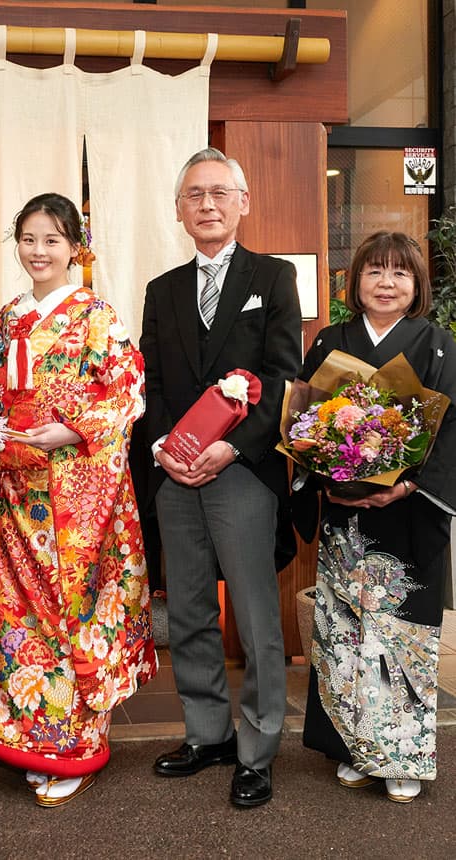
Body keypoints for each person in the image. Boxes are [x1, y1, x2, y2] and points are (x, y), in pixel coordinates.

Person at [0, 192, 158, 808]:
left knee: (71, 619)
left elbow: (126, 394)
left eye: (52, 241)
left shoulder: (98, 317)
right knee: (12, 619)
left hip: (73, 500)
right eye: (29, 239)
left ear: (75, 248)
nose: (39, 252)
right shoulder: (8, 318)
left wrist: (72, 429)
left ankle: (70, 747)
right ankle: (20, 735)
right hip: (11, 492)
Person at [140, 148, 302, 807]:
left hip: (241, 472)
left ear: (243, 203)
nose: (207, 204)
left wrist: (234, 451)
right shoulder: (162, 290)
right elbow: (150, 383)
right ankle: (206, 733)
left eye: (218, 193)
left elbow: (285, 376)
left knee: (259, 617)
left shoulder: (274, 276)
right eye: (193, 196)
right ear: (178, 212)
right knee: (189, 613)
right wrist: (161, 448)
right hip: (175, 475)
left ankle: (257, 750)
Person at [298, 231, 456, 803]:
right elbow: (305, 423)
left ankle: (402, 754)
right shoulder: (330, 342)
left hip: (410, 515)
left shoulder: (439, 345)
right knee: (345, 630)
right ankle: (353, 749)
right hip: (347, 515)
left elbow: (451, 429)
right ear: (355, 281)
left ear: (416, 286)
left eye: (400, 273)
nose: (386, 283)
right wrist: (326, 477)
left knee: (401, 634)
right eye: (374, 272)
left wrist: (408, 483)